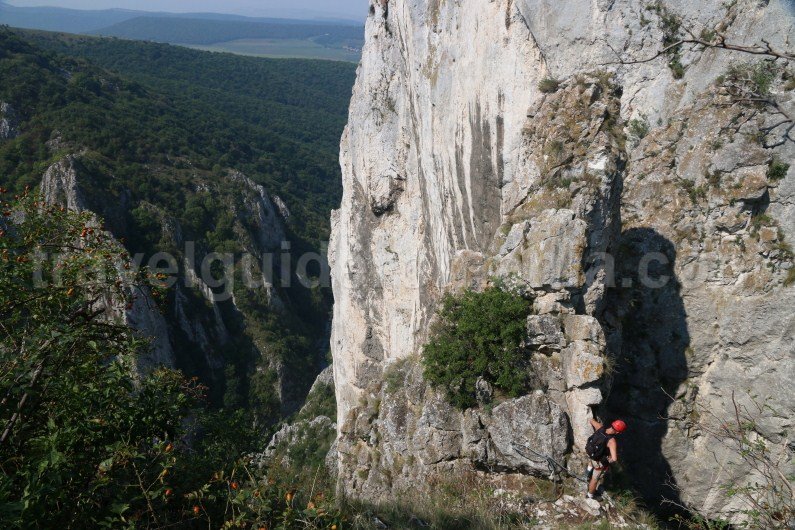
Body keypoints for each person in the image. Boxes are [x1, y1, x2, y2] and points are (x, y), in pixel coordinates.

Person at [584, 418, 626, 499]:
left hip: (590, 452)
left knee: (593, 459)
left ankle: (587, 473)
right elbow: (614, 458)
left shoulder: (600, 428)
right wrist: (606, 461)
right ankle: (590, 495)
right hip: (598, 461)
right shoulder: (611, 441)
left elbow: (591, 420)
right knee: (595, 479)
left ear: (612, 424)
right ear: (618, 432)